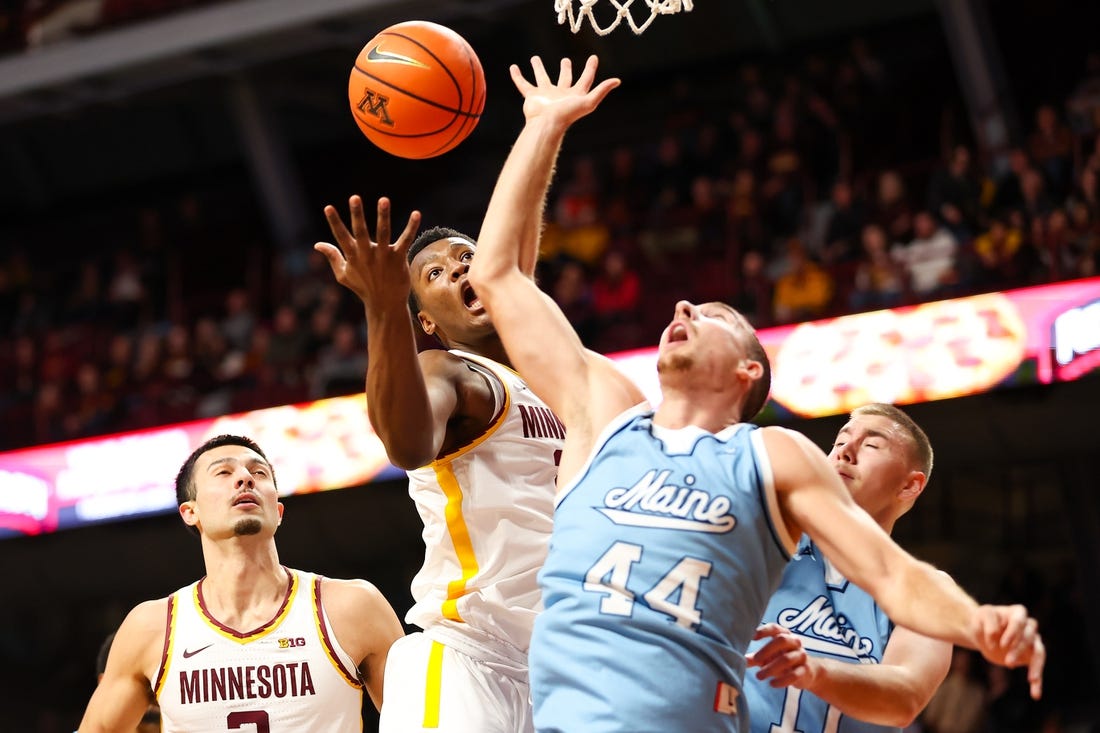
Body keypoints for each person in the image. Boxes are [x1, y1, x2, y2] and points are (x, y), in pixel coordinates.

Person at [464, 54, 1045, 733]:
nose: (682, 304)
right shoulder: (604, 412)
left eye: (712, 314)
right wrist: (544, 127)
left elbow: (894, 575)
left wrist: (982, 621)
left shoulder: (771, 457)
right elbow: (499, 276)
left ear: (746, 371)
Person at [315, 175, 567, 729]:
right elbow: (407, 444)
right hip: (471, 656)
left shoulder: (568, 385)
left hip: (565, 664)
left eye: (466, 258)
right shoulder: (451, 371)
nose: (456, 269)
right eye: (434, 274)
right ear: (426, 321)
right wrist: (384, 309)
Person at [77, 434, 404, 732]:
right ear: (191, 512)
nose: (245, 478)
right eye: (223, 472)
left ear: (278, 510)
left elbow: (420, 722)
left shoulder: (353, 607)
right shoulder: (151, 627)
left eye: (259, 473)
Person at [743, 403, 952, 732]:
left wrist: (815, 672)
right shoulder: (769, 536)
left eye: (871, 445)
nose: (845, 453)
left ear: (910, 486)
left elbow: (905, 697)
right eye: (839, 443)